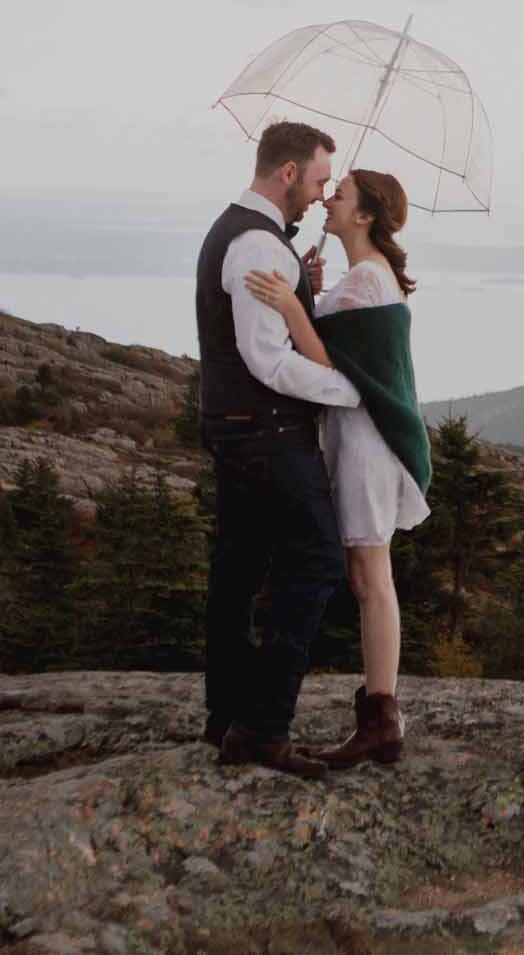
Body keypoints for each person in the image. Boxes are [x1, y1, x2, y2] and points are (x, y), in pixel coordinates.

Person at [244, 167, 431, 768]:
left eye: (340, 194)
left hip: (367, 445)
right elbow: (336, 335)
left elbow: (330, 363)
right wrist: (309, 288)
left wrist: (290, 304)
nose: (328, 199)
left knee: (372, 578)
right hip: (359, 442)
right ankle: (380, 716)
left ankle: (382, 719)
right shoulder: (363, 279)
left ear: (365, 215)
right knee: (365, 575)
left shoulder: (368, 282)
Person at [195, 120, 357, 779]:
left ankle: (227, 717)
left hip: (233, 423)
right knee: (317, 557)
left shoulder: (242, 232)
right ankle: (263, 727)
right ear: (287, 173)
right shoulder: (260, 246)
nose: (323, 195)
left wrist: (301, 285)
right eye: (319, 179)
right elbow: (267, 359)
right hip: (268, 428)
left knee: (238, 566)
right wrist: (345, 388)